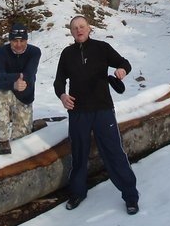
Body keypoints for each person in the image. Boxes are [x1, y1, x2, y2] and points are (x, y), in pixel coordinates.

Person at [53, 15, 140, 215]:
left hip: (103, 111)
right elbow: (59, 81)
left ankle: (130, 196)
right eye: (75, 28)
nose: (79, 30)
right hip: (78, 113)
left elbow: (125, 63)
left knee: (114, 153)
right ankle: (77, 193)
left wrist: (121, 71)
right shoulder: (67, 54)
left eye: (82, 26)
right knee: (79, 155)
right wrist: (62, 95)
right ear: (71, 32)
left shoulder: (102, 48)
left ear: (89, 28)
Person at [0, 22, 41, 155]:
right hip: (6, 90)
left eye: (22, 41)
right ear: (10, 40)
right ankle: (2, 139)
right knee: (0, 94)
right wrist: (13, 84)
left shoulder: (34, 52)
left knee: (22, 136)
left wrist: (1, 76)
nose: (18, 45)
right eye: (15, 41)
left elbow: (28, 76)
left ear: (27, 40)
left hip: (25, 93)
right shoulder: (1, 52)